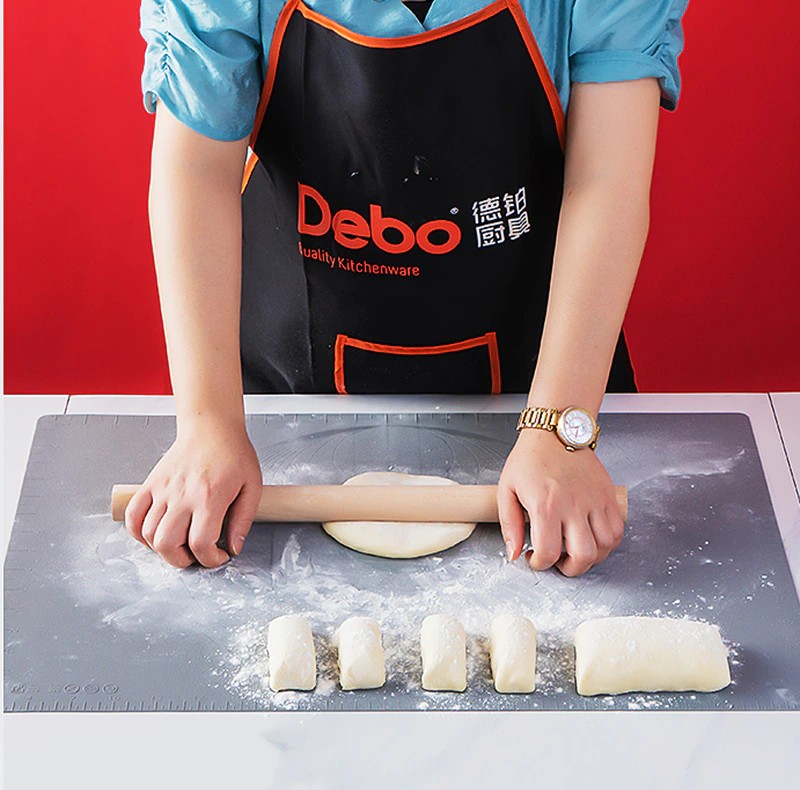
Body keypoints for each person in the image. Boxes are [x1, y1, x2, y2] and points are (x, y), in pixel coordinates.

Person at [126, 0, 688, 575]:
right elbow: (197, 170)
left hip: (546, 383)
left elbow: (606, 183)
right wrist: (209, 426)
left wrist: (560, 429)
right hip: (283, 400)